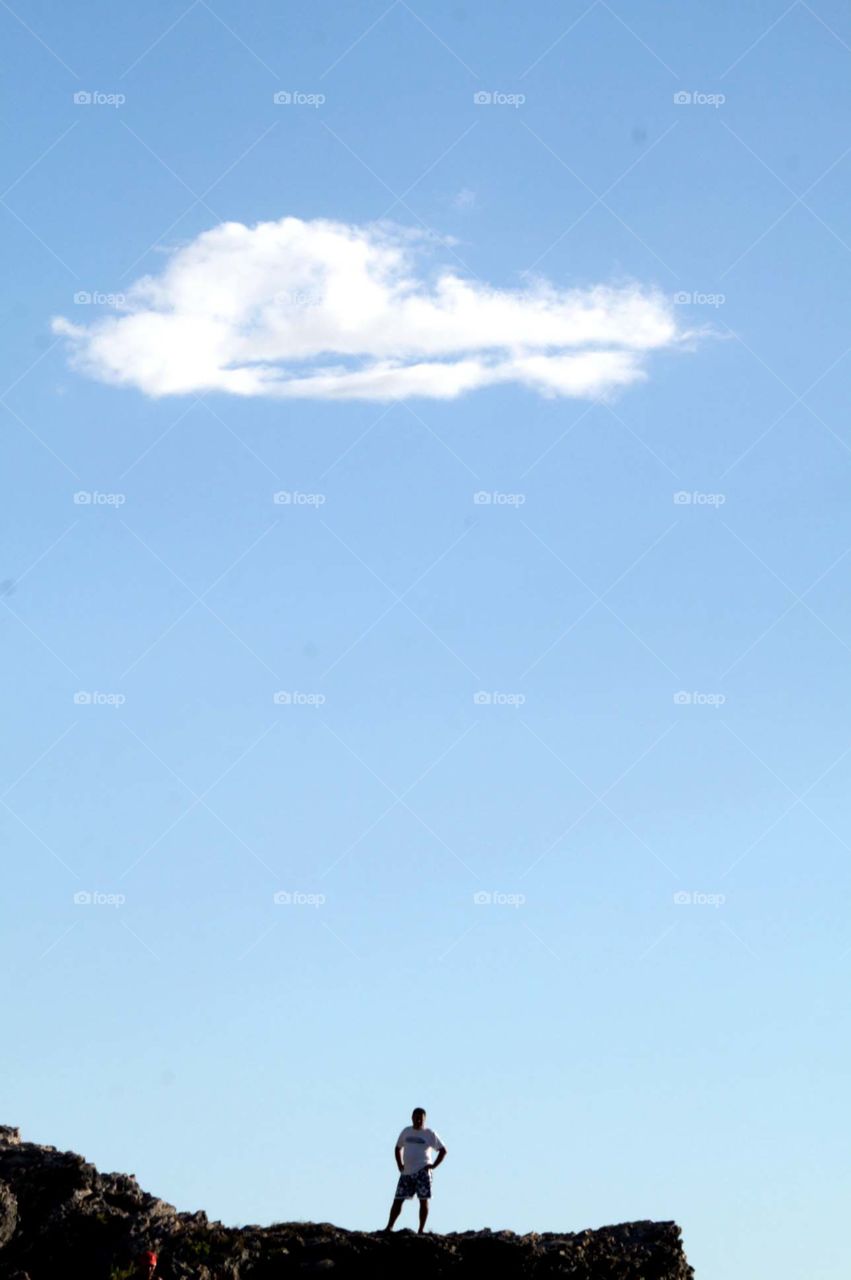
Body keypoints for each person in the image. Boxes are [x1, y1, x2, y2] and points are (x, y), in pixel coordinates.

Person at [383, 1107, 447, 1234]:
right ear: (412, 1118)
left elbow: (443, 1150)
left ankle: (421, 1229)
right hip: (406, 1172)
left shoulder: (429, 1133)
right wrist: (399, 1164)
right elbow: (397, 1148)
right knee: (398, 1199)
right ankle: (389, 1227)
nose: (418, 1120)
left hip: (422, 1171)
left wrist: (433, 1165)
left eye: (420, 1118)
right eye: (416, 1117)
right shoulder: (406, 1132)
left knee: (423, 1200)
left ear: (424, 1119)